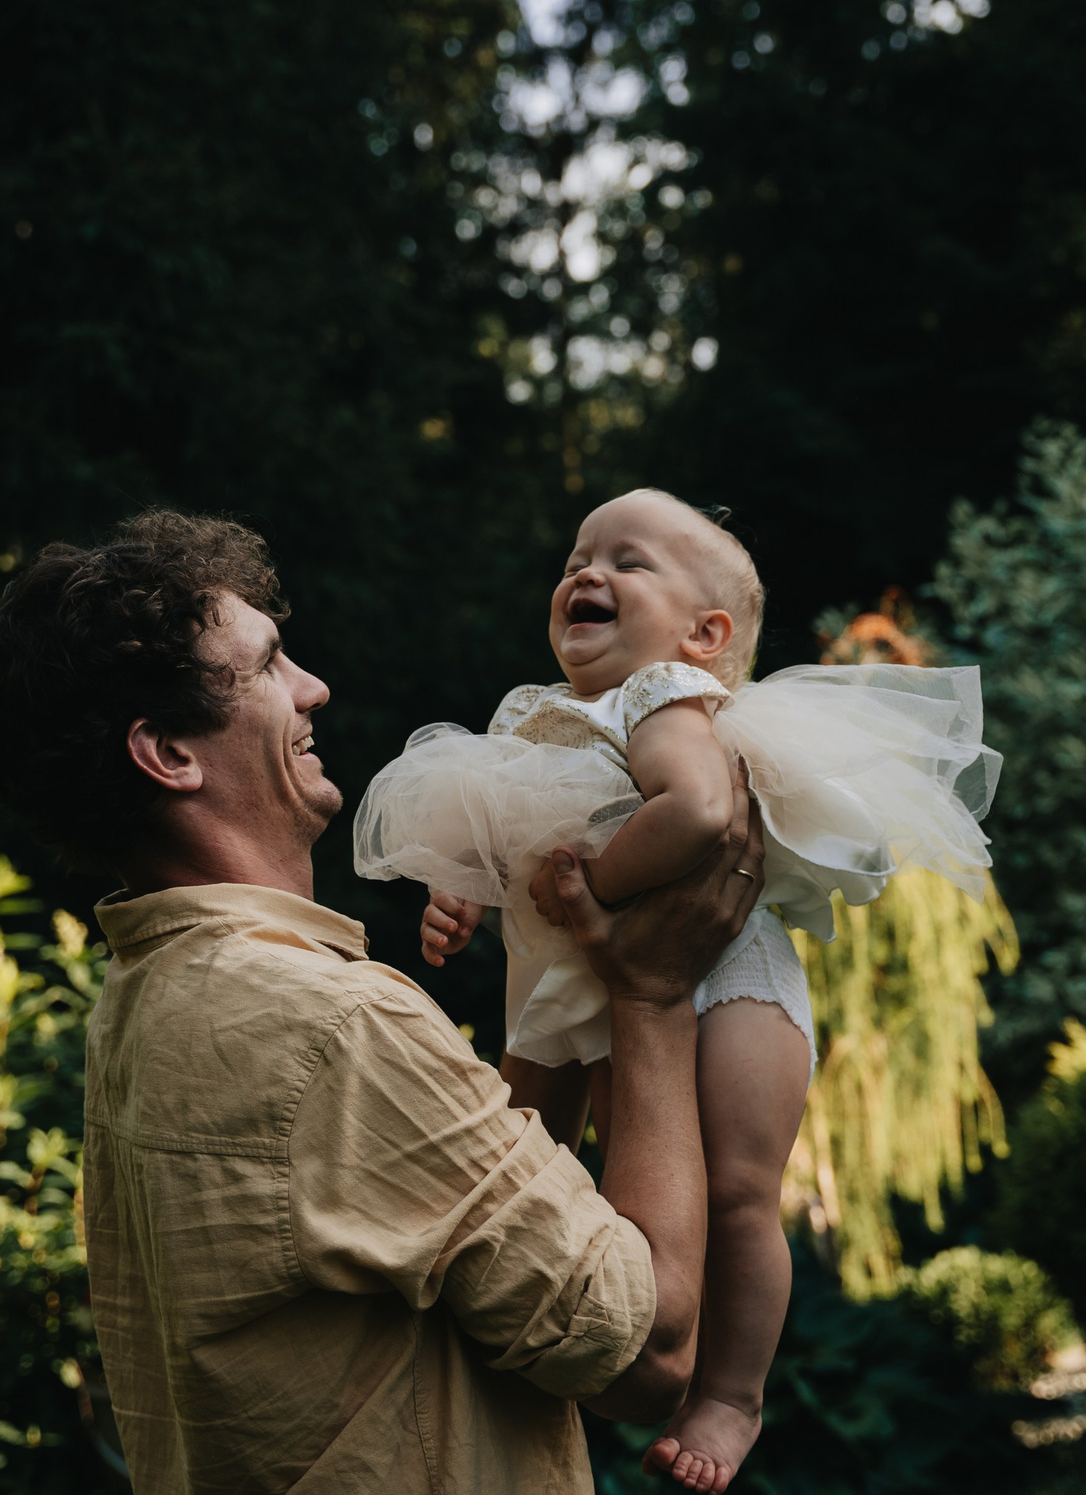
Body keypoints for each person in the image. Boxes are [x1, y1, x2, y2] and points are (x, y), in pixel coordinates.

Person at [0, 509, 764, 1495]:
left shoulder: (138, 1005)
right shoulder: (334, 1027)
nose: (313, 688)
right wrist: (649, 996)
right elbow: (645, 1354)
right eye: (268, 666)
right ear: (168, 754)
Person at [352, 489, 998, 1490]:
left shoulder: (662, 696)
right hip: (601, 999)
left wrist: (591, 903)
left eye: (629, 560)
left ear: (706, 635)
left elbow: (696, 812)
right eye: (576, 555)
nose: (586, 572)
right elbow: (492, 818)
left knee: (740, 1193)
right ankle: (543, 1354)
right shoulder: (536, 717)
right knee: (606, 1199)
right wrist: (458, 893)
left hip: (724, 974)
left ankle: (731, 1400)